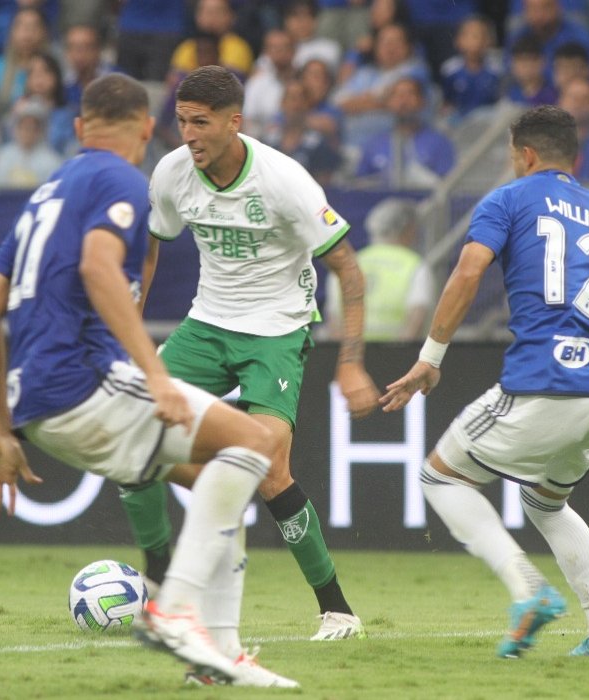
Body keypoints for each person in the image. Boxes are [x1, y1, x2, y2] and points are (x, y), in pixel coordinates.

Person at [0, 73, 298, 689]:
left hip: (37, 406)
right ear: (147, 129)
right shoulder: (120, 179)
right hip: (84, 382)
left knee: (222, 484)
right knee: (255, 444)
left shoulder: (49, 190)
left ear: (80, 128)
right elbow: (98, 267)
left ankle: (217, 662)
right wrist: (155, 375)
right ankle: (173, 606)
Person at [381, 104, 589, 659]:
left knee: (440, 477)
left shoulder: (508, 199)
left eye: (511, 155)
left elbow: (467, 270)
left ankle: (527, 590)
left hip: (542, 383)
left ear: (525, 154)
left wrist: (431, 357)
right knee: (545, 503)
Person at [121, 65, 381, 644]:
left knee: (270, 470)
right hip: (206, 325)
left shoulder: (284, 181)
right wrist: (132, 339)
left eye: (201, 122)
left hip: (276, 331)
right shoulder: (171, 173)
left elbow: (349, 269)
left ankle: (337, 610)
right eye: (182, 121)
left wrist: (351, 361)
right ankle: (162, 582)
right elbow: (148, 253)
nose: (188, 134)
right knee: (128, 430)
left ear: (234, 122)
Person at [325, 197, 434, 341]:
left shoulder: (348, 263)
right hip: (394, 356)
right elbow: (417, 318)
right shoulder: (416, 266)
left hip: (351, 355)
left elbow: (334, 321)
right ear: (409, 230)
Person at [355, 75, 456, 188]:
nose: (403, 100)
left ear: (422, 101)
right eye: (397, 95)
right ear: (388, 103)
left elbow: (447, 188)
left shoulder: (440, 143)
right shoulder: (373, 144)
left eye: (410, 94)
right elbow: (360, 185)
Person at [0, 98, 63, 187]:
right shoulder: (3, 156)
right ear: (16, 128)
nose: (27, 133)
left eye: (32, 128)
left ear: (40, 131)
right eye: (23, 127)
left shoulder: (52, 161)